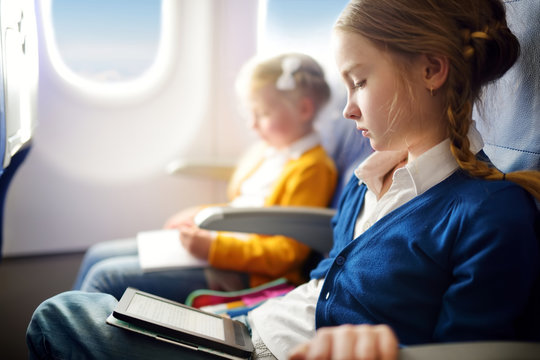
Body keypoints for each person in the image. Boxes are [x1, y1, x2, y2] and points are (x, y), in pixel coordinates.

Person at [27, 0, 540, 359]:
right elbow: (324, 282)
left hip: (275, 352)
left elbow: (467, 350)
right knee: (102, 305)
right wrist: (245, 311)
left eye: (360, 81)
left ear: (432, 69)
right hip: (255, 328)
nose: (347, 108)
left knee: (60, 316)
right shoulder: (369, 177)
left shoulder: (490, 214)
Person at [70, 52, 338, 303]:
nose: (252, 124)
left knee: (105, 277)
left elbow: (286, 254)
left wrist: (212, 247)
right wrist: (200, 215)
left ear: (304, 110)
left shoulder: (312, 168)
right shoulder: (272, 152)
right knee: (97, 255)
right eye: (250, 113)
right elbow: (245, 208)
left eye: (263, 114)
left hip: (248, 273)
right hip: (220, 249)